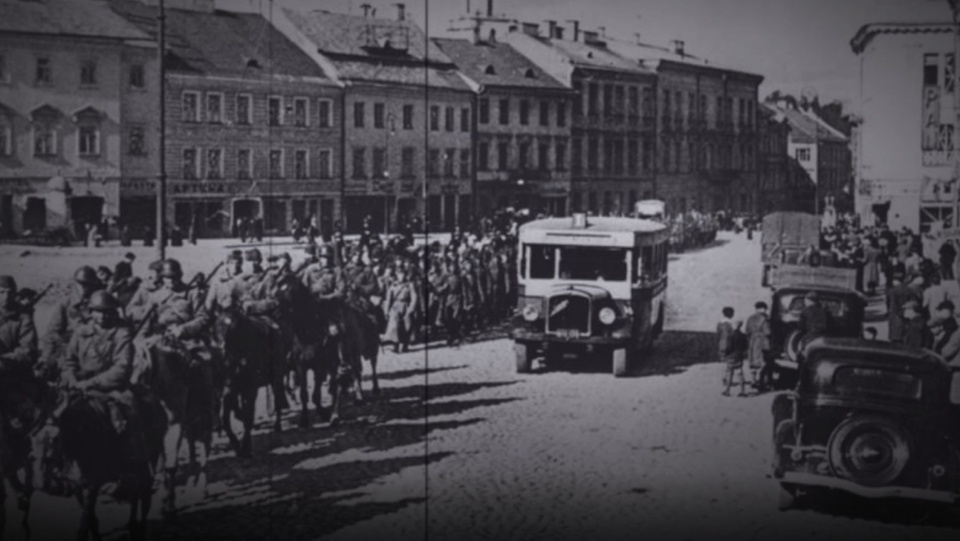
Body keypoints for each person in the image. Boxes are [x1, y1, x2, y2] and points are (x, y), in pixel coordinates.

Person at [41, 266, 103, 373]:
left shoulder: (100, 303)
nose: (83, 288)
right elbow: (52, 334)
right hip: (69, 353)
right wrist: (47, 359)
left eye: (87, 284)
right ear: (75, 283)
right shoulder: (65, 303)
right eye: (80, 284)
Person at [0, 275, 39, 374]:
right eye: (1, 292)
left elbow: (27, 351)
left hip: (13, 372)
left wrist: (4, 359)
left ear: (15, 294)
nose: (6, 297)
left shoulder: (23, 317)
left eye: (10, 292)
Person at [383, 267, 417, 353]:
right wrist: (386, 310)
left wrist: (412, 308)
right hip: (395, 306)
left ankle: (405, 345)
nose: (401, 276)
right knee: (395, 326)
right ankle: (396, 346)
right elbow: (388, 298)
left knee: (407, 326)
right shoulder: (393, 285)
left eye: (402, 274)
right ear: (396, 275)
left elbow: (414, 297)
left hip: (406, 305)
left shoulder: (409, 285)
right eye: (399, 274)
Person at [718, 307, 747, 397]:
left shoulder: (730, 334)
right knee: (740, 373)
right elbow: (746, 346)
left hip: (731, 355)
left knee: (729, 372)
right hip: (739, 355)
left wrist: (725, 353)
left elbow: (728, 345)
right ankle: (742, 391)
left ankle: (727, 390)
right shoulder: (743, 335)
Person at [745, 301, 771, 391]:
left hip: (752, 341)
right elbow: (768, 332)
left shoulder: (750, 318)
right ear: (763, 308)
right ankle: (762, 382)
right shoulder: (764, 319)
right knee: (764, 362)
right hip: (763, 342)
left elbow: (747, 331)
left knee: (753, 361)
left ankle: (753, 381)